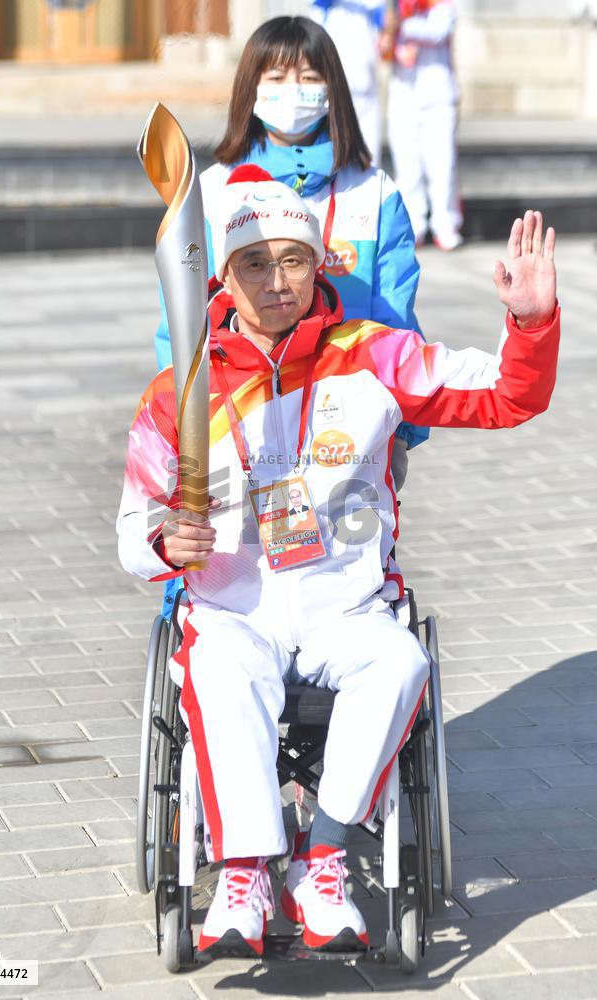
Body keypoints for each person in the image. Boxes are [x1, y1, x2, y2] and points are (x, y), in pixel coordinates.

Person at [117, 168, 559, 956]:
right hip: (233, 610)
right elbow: (133, 525)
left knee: (401, 663)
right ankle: (244, 873)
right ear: (222, 275)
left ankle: (321, 861)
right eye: (255, 262)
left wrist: (529, 324)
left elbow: (505, 396)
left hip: (345, 606)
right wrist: (163, 540)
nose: (276, 281)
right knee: (217, 670)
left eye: (293, 259)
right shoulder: (181, 390)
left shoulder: (373, 357)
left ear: (318, 263)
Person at [154, 15, 428, 619]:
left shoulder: (372, 192)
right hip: (242, 413)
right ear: (250, 89)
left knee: (342, 565)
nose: (293, 90)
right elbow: (180, 321)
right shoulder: (213, 190)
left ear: (333, 89)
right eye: (275, 77)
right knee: (233, 560)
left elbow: (398, 316)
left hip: (343, 422)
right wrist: (184, 423)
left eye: (308, 76)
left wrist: (402, 426)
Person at [380, 0, 462, 250]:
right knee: (407, 167)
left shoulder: (440, 6)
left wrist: (399, 24)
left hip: (438, 98)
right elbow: (382, 49)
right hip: (403, 95)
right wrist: (386, 29)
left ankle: (445, 224)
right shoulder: (390, 8)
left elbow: (437, 32)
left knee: (442, 165)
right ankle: (414, 224)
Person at [307, 0, 385, 163]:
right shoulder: (324, 8)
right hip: (332, 94)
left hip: (366, 90)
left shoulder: (370, 8)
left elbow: (384, 22)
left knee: (369, 159)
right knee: (334, 156)